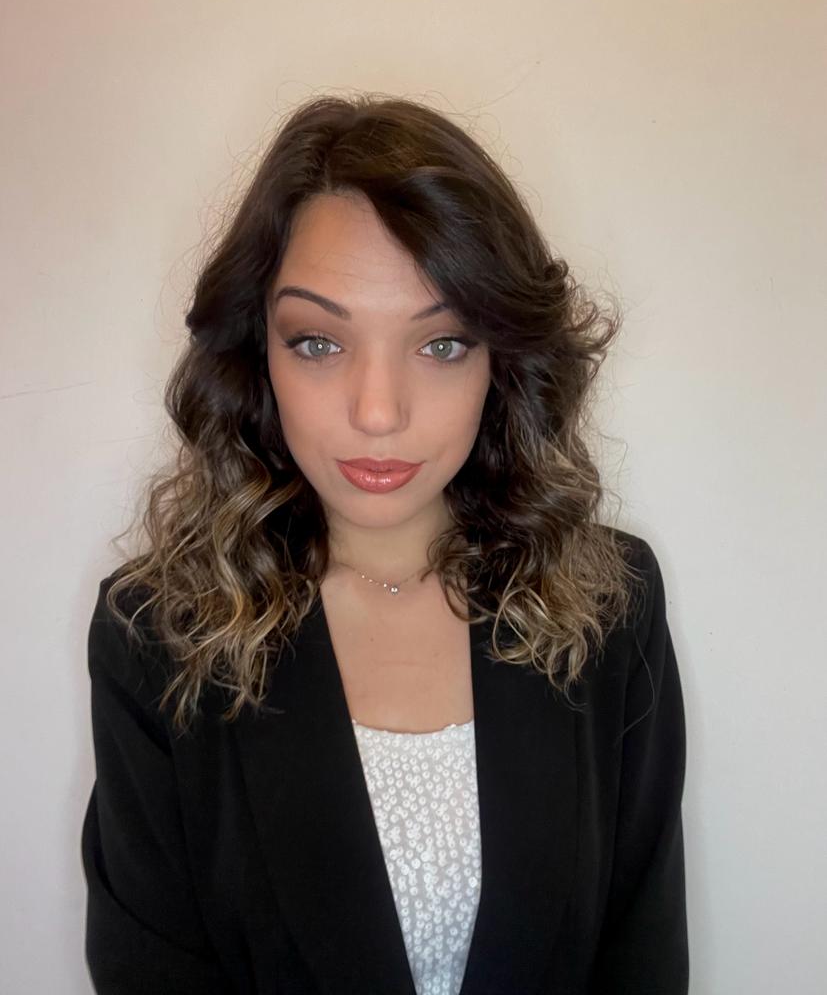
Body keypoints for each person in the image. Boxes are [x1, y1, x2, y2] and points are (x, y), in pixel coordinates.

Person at [81, 93, 689, 994]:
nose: (377, 411)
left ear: (502, 361)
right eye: (317, 342)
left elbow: (641, 955)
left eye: (440, 345)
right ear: (256, 353)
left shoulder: (610, 602)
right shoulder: (156, 633)